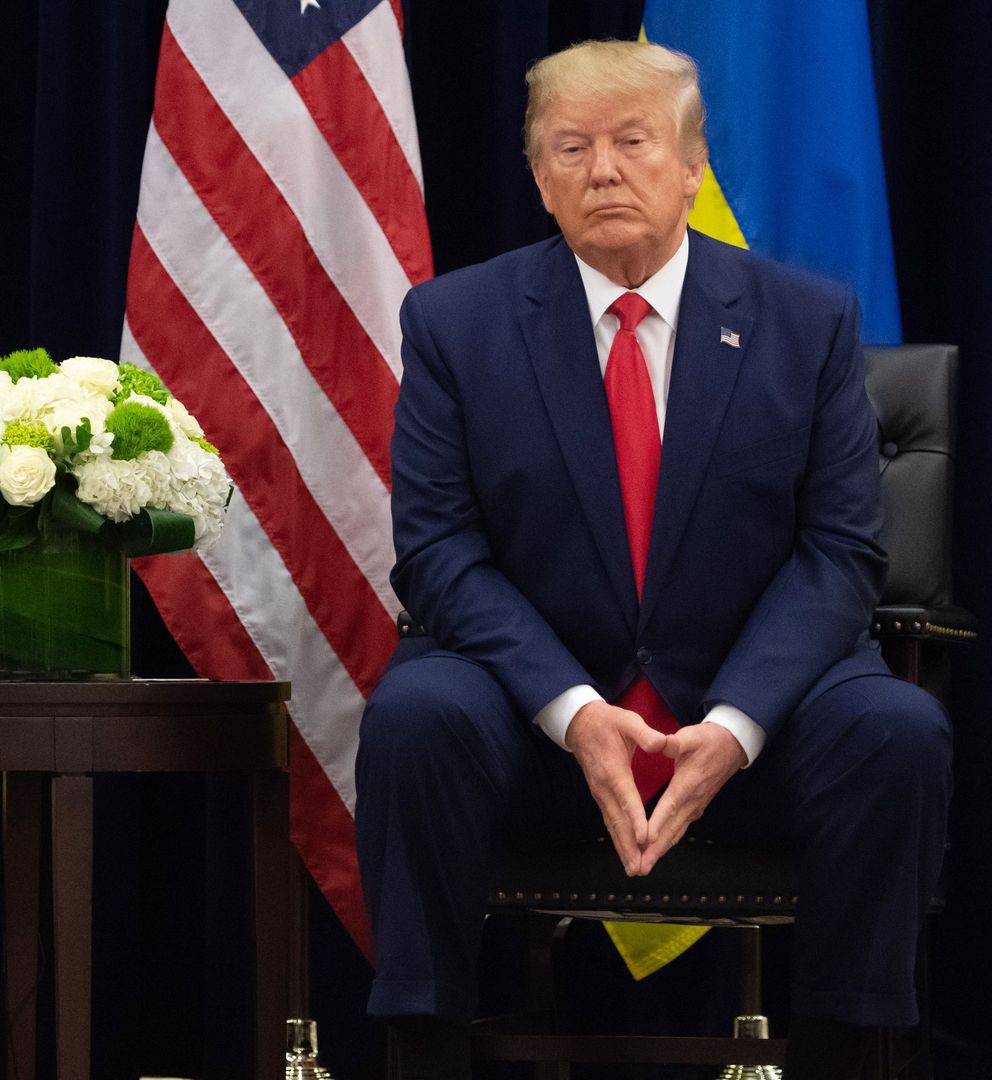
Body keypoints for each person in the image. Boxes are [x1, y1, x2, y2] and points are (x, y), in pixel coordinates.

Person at [354, 40, 950, 1080]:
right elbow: (440, 553)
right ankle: (424, 1051)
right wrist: (576, 711)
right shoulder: (455, 324)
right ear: (539, 178)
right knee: (415, 717)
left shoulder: (807, 323)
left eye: (634, 142)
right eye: (571, 148)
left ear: (691, 166)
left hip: (753, 727)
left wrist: (731, 726)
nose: (603, 171)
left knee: (896, 731)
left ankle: (855, 1054)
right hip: (535, 731)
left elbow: (841, 552)